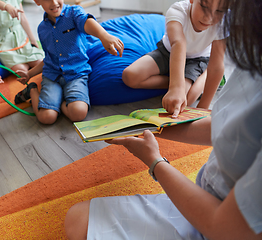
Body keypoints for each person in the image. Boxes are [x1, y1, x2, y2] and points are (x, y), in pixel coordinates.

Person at [64, 0, 262, 239]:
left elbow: (224, 228)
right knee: (78, 218)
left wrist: (156, 162)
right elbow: (229, 127)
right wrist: (156, 126)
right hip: (209, 196)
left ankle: (198, 76)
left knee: (78, 221)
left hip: (218, 225)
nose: (212, 19)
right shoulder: (250, 65)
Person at [14, 0, 124, 125]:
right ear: (37, 1)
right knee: (46, 117)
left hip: (76, 74)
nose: (54, 2)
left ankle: (56, 101)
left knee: (78, 113)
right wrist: (29, 74)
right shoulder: (42, 29)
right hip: (52, 76)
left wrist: (103, 35)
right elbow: (49, 60)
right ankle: (33, 90)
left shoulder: (74, 13)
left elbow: (86, 22)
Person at [122, 0, 227, 118]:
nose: (209, 18)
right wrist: (176, 87)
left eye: (219, 11)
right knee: (130, 76)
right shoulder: (178, 10)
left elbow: (217, 66)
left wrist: (203, 109)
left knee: (186, 98)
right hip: (167, 52)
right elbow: (178, 43)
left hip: (198, 59)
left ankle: (206, 73)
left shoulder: (223, 22)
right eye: (203, 7)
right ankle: (181, 80)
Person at [0, 0, 45, 76]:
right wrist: (6, 6)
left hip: (21, 40)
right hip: (4, 44)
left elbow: (23, 18)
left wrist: (33, 40)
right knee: (21, 70)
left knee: (41, 63)